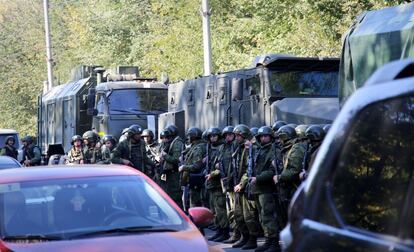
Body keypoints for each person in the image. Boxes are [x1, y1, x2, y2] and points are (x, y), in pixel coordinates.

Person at [249, 126, 280, 251]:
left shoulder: (274, 150)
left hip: (266, 188)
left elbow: (273, 170)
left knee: (268, 215)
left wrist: (258, 178)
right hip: (257, 188)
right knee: (262, 216)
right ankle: (268, 240)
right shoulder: (259, 150)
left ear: (270, 137)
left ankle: (274, 243)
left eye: (266, 136)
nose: (263, 138)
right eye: (261, 136)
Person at [231, 124, 260, 249]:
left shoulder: (251, 148)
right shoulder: (240, 148)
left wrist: (241, 184)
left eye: (238, 135)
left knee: (249, 215)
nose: (236, 138)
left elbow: (249, 170)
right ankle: (244, 237)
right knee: (238, 214)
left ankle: (252, 239)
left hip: (247, 186)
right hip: (239, 185)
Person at [273, 125, 306, 228]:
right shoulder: (288, 148)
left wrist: (280, 177)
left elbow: (294, 170)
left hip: (295, 188)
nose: (278, 140)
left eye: (280, 137)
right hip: (288, 189)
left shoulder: (296, 147)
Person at [205, 127, 229, 242]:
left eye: (214, 136)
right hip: (211, 183)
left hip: (218, 183)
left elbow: (222, 166)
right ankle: (219, 230)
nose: (212, 138)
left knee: (221, 209)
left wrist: (213, 174)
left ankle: (224, 232)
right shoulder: (210, 147)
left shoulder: (222, 148)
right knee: (214, 209)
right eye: (211, 136)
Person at [179, 127, 206, 208]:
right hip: (193, 180)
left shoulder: (198, 148)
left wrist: (184, 167)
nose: (188, 138)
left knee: (193, 204)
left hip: (195, 180)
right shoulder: (195, 146)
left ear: (193, 137)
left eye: (189, 136)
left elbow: (196, 166)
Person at [158, 128, 184, 208]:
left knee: (175, 196)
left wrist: (165, 156)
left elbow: (176, 160)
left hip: (174, 174)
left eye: (167, 137)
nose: (164, 139)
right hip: (166, 173)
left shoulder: (177, 143)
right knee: (165, 194)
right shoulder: (167, 144)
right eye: (163, 137)